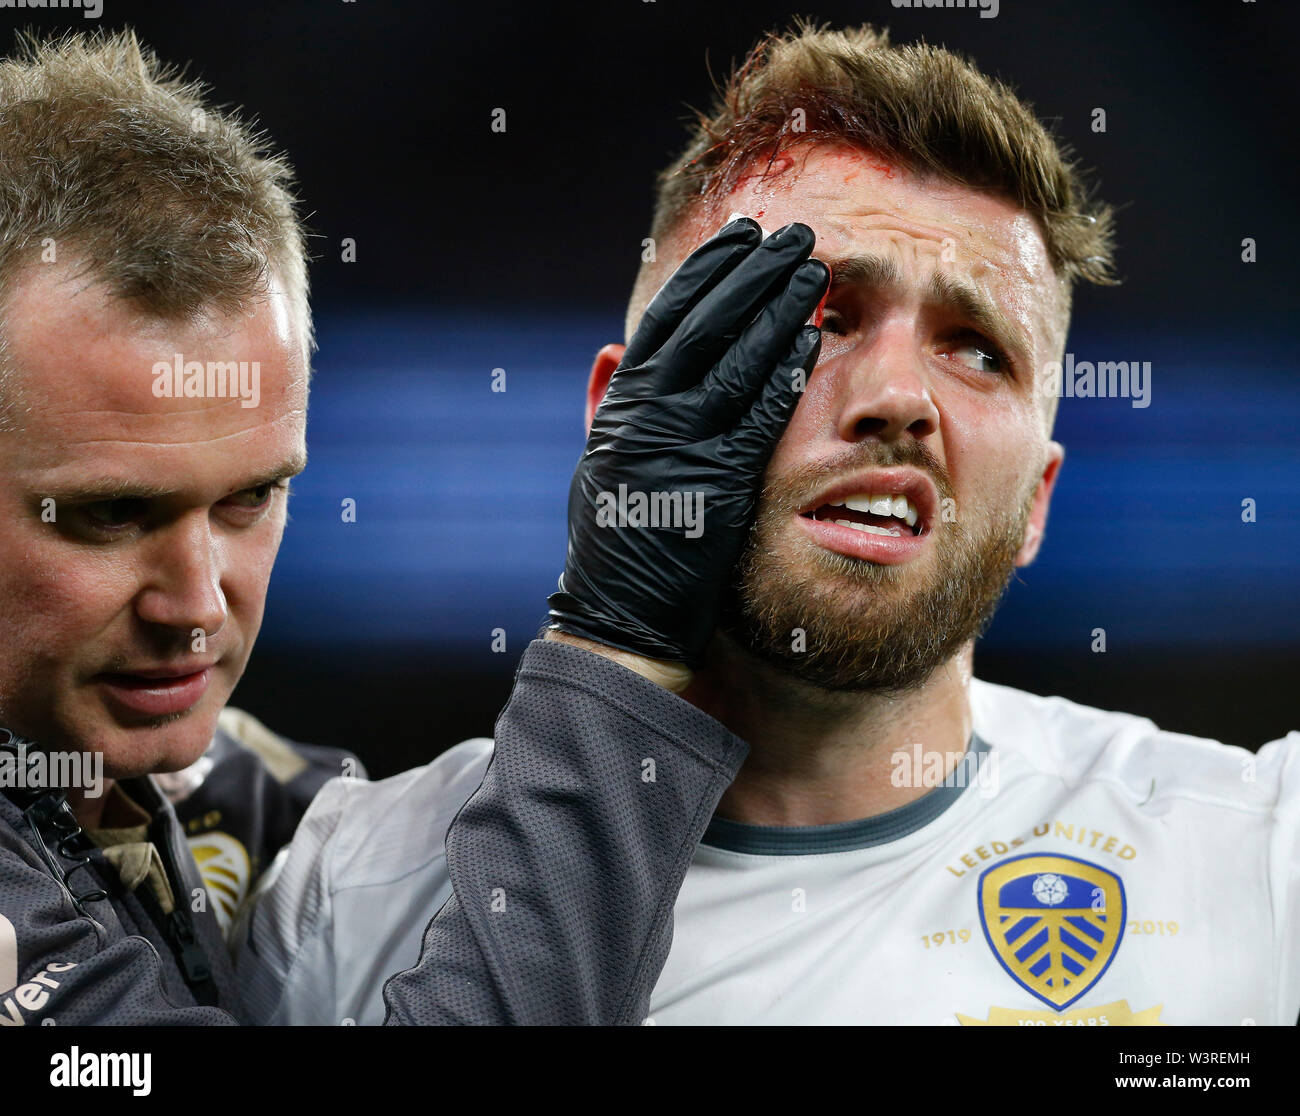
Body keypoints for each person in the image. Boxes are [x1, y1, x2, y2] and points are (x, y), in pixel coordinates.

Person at [244, 21, 1300, 1026]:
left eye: (978, 347)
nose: (898, 396)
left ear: (1036, 502)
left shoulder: (1254, 858)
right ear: (624, 413)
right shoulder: (352, 889)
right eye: (819, 312)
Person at [0, 29, 780, 1026]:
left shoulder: (228, 797)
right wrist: (621, 648)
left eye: (251, 497)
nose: (195, 605)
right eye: (112, 515)